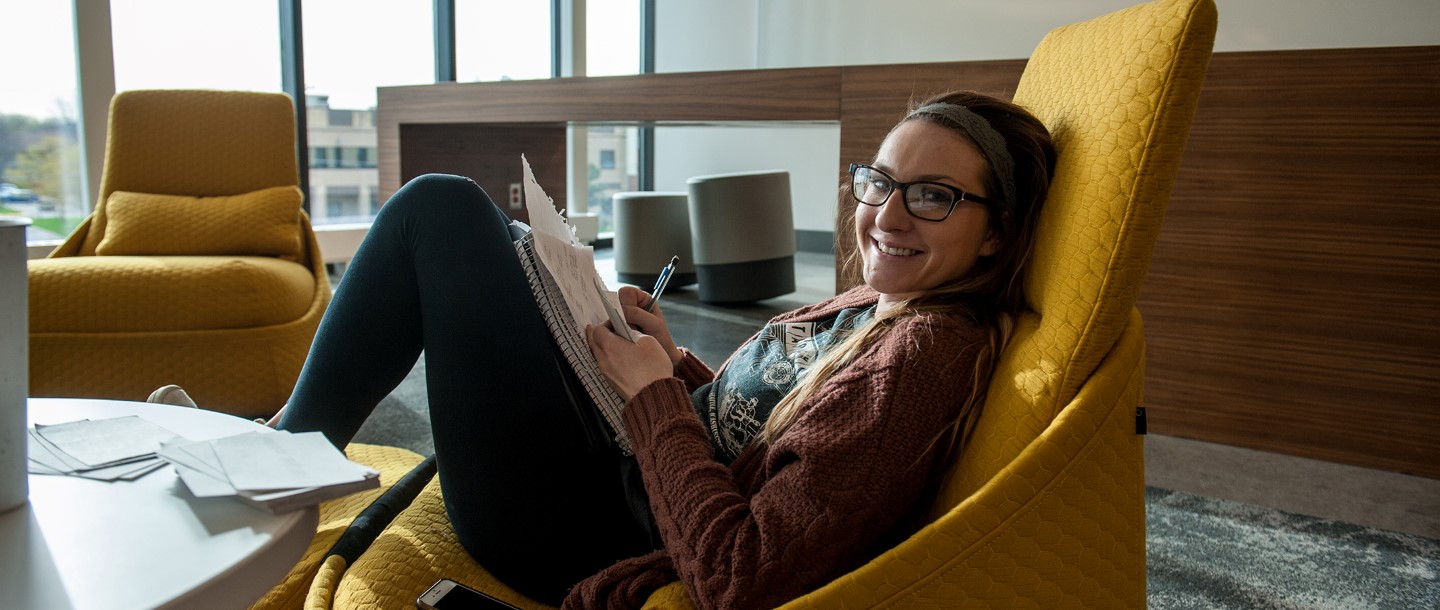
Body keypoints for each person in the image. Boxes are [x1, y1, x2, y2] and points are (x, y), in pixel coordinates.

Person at [263, 89, 1056, 609]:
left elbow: (740, 576)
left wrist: (650, 397)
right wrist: (671, 362)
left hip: (589, 527)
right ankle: (281, 450)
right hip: (629, 460)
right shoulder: (887, 306)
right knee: (502, 246)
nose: (888, 215)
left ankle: (275, 460)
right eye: (879, 182)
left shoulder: (918, 364)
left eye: (934, 197)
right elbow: (768, 433)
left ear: (995, 237)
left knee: (439, 213)